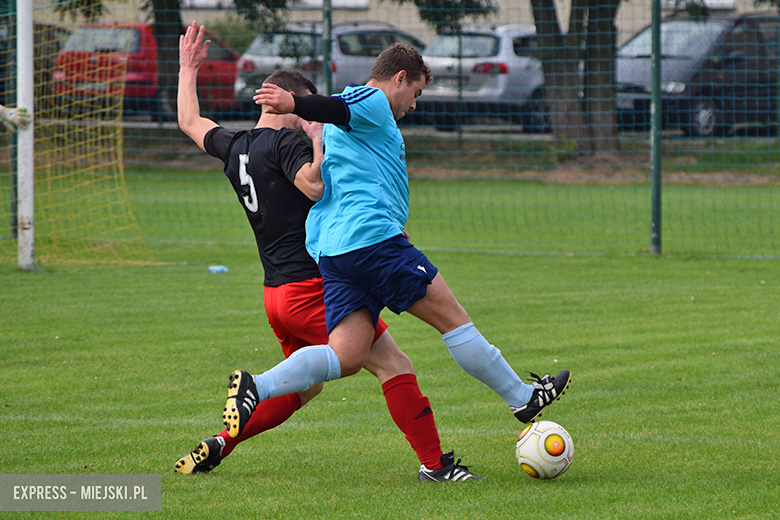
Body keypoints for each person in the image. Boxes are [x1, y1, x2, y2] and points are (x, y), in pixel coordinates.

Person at [174, 22, 481, 482]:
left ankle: (223, 441)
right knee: (394, 364)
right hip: (311, 285)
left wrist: (188, 69)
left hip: (275, 295)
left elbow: (190, 122)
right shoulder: (290, 142)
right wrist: (316, 138)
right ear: (289, 103)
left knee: (307, 386)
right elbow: (314, 187)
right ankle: (436, 466)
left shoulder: (236, 146)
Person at [223, 43, 571, 443]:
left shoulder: (346, 123)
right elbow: (335, 108)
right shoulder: (370, 99)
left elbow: (348, 170)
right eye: (416, 93)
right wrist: (296, 103)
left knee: (347, 356)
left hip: (334, 253)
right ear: (399, 78)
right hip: (372, 243)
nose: (414, 105)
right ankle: (522, 398)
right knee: (453, 319)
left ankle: (258, 386)